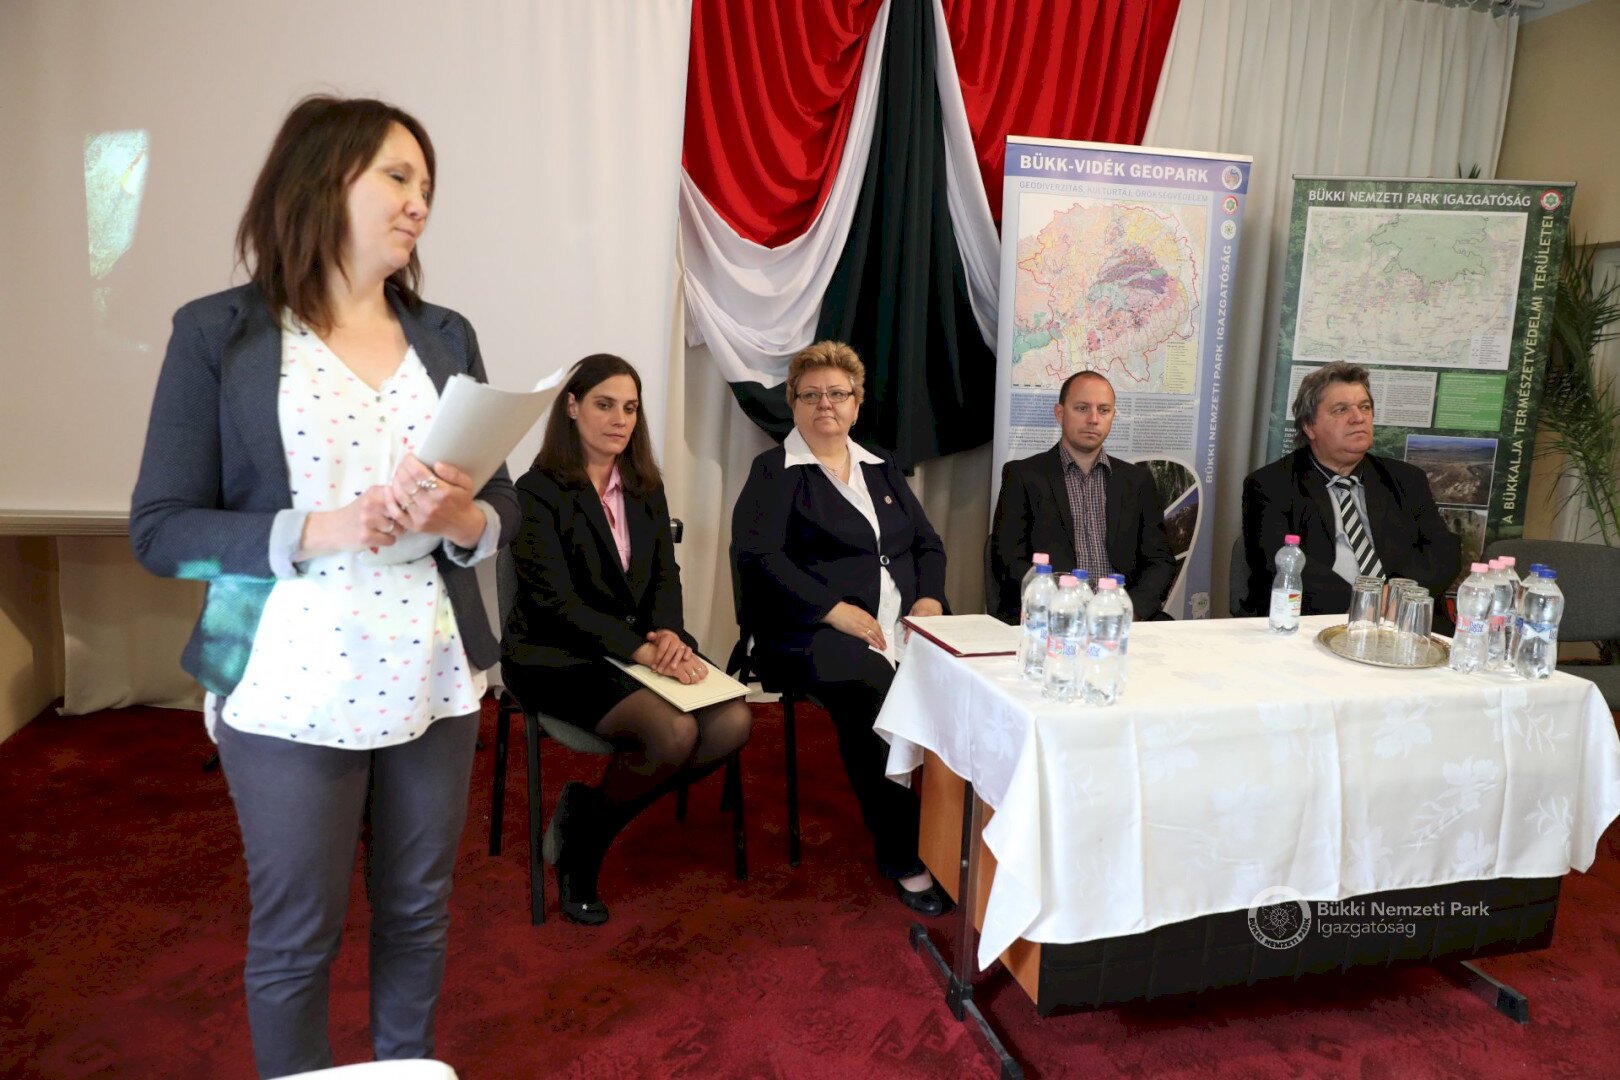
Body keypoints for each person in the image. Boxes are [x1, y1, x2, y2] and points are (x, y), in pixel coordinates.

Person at [129, 97, 517, 1078]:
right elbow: (162, 533)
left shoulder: (447, 334)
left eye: (427, 185)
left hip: (433, 667)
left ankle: (404, 1068)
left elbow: (500, 509)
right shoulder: (218, 333)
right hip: (286, 672)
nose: (420, 202)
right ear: (322, 180)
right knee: (300, 932)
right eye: (397, 176)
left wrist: (460, 519)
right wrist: (322, 528)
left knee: (418, 910)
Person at [502, 354, 753, 926]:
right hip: (555, 653)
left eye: (631, 408)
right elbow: (554, 603)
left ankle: (588, 810)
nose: (620, 419)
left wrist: (670, 635)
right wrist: (642, 650)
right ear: (572, 407)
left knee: (732, 722)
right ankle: (583, 855)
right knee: (672, 733)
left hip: (635, 647)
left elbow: (664, 575)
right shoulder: (536, 491)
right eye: (605, 404)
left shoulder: (644, 486)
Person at [732, 341, 952, 916]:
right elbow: (759, 559)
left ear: (856, 403)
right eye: (811, 395)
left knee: (967, 683)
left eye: (837, 393)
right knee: (874, 693)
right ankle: (903, 853)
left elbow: (927, 544)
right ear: (793, 404)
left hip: (902, 625)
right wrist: (831, 609)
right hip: (805, 631)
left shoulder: (881, 465)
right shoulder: (774, 472)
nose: (824, 404)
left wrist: (929, 599)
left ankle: (952, 836)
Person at [1239, 361, 1459, 622]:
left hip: (1402, 619)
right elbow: (1276, 563)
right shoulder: (1271, 484)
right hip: (1319, 620)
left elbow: (1443, 551)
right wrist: (1362, 603)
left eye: (1364, 407)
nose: (1358, 417)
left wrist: (1396, 593)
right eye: (1341, 409)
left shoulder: (1406, 479)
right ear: (1309, 426)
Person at [989, 371, 1177, 622]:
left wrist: (1130, 611)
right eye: (1082, 408)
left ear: (1113, 416)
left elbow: (1160, 561)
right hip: (1049, 619)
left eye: (1104, 410)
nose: (1093, 419)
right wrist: (1060, 607)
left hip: (1121, 619)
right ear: (1060, 413)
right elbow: (1008, 560)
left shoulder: (1137, 481)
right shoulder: (1023, 476)